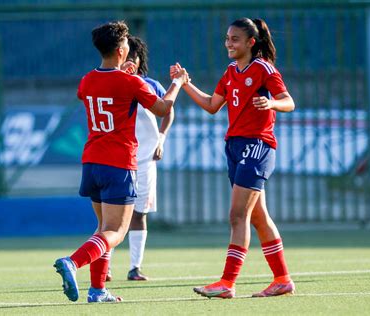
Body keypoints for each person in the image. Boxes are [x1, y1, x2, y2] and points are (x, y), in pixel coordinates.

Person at [53, 21, 188, 303]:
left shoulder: (87, 80)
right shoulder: (131, 81)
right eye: (126, 42)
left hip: (91, 161)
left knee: (103, 228)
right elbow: (163, 107)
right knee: (117, 231)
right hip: (119, 163)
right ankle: (73, 262)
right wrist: (177, 83)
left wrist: (120, 76)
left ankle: (98, 290)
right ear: (120, 49)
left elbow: (99, 93)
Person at [171, 18, 295, 298]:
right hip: (235, 147)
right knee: (258, 217)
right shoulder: (230, 72)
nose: (229, 43)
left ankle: (227, 283)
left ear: (251, 42)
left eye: (235, 39)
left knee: (237, 215)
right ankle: (282, 279)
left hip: (258, 146)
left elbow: (289, 101)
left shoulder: (263, 69)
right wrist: (185, 84)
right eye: (227, 38)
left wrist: (272, 102)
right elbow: (212, 105)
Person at [106, 36, 174, 281]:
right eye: (125, 57)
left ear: (139, 60)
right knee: (110, 216)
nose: (128, 62)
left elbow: (168, 109)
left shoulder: (150, 85)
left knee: (139, 214)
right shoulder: (111, 84)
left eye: (133, 58)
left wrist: (161, 139)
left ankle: (135, 267)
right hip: (118, 159)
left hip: (144, 161)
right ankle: (106, 267)